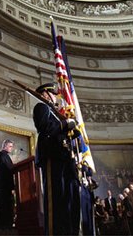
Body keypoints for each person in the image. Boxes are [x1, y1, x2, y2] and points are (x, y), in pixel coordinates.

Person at [33, 82, 80, 235]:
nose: (56, 96)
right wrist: (65, 124)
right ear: (45, 94)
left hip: (64, 158)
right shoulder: (42, 107)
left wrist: (73, 131)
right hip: (52, 156)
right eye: (53, 93)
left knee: (67, 200)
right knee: (56, 200)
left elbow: (62, 133)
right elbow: (45, 129)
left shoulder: (55, 112)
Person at [0, 139, 15, 229]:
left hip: (7, 186)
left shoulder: (6, 156)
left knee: (7, 207)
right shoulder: (1, 154)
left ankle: (7, 226)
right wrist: (13, 168)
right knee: (3, 207)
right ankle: (2, 227)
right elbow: (4, 168)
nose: (11, 148)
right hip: (3, 186)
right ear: (5, 146)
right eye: (10, 146)